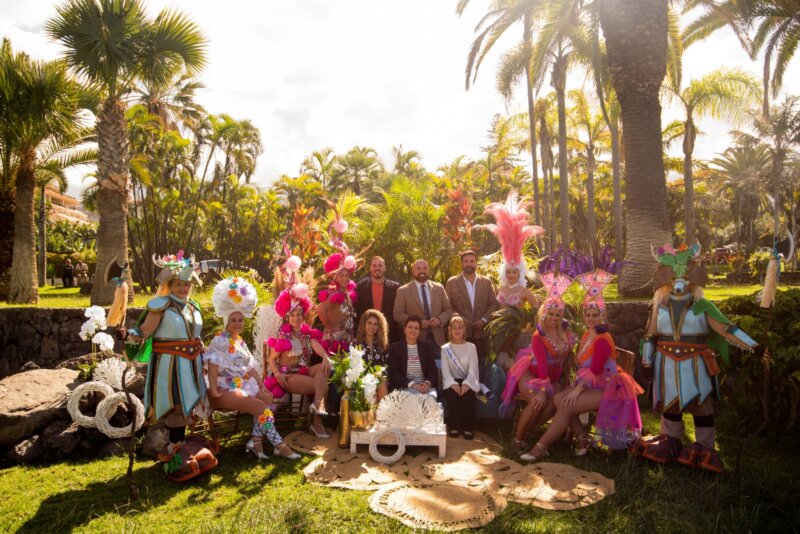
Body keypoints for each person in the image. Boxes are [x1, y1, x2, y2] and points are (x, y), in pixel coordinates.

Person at [632, 244, 757, 473]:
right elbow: (650, 334)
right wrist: (647, 362)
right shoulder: (659, 306)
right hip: (666, 363)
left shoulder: (702, 305)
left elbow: (725, 329)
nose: (680, 280)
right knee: (670, 403)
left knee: (701, 404)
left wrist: (753, 345)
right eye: (675, 275)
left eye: (685, 275)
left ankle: (705, 446)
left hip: (696, 364)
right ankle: (670, 440)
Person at [520, 270, 643, 461]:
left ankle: (540, 447)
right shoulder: (587, 335)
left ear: (602, 317)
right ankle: (583, 437)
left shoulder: (602, 339)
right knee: (559, 399)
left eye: (595, 315)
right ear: (584, 316)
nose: (591, 319)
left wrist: (576, 390)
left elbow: (594, 370)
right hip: (592, 386)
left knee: (565, 405)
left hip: (609, 389)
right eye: (588, 315)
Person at [205, 277, 300, 461]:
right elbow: (213, 365)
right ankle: (281, 446)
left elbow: (250, 365)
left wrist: (261, 384)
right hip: (225, 389)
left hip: (241, 385)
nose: (238, 323)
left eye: (240, 320)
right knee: (259, 406)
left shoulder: (239, 341)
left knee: (267, 397)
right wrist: (215, 391)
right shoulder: (220, 340)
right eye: (233, 320)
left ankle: (256, 442)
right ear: (226, 321)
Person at [129, 251, 205, 462]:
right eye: (178, 284)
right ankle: (174, 448)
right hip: (170, 365)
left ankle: (178, 446)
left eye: (186, 284)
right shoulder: (160, 305)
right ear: (169, 285)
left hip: (192, 364)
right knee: (177, 404)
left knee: (189, 402)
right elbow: (144, 331)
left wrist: (201, 345)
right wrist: (129, 335)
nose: (183, 288)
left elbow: (194, 334)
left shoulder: (193, 306)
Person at [501, 272, 575, 454]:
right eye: (551, 313)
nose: (554, 318)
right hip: (532, 374)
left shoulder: (567, 335)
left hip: (555, 380)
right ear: (544, 314)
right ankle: (517, 441)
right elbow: (542, 365)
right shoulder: (538, 336)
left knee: (552, 405)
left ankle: (530, 434)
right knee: (537, 402)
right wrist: (542, 391)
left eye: (558, 314)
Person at [265, 255, 332, 438]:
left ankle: (316, 408)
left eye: (299, 314)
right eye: (292, 315)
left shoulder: (306, 332)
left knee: (324, 368)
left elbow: (316, 344)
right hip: (289, 375)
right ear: (287, 317)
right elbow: (271, 359)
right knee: (322, 387)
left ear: (304, 315)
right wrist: (277, 374)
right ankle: (317, 421)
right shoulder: (283, 336)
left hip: (304, 370)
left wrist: (325, 356)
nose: (296, 318)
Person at [477, 191, 544, 371]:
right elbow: (497, 311)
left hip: (517, 335)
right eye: (509, 272)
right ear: (505, 273)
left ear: (519, 272)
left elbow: (538, 307)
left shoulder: (523, 291)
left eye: (515, 272)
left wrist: (527, 322)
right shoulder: (501, 289)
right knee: (500, 364)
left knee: (516, 365)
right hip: (500, 333)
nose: (512, 275)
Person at [445, 250, 499, 383]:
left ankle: (481, 396)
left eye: (472, 261)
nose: (469, 264)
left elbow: (493, 304)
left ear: (476, 263)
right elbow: (447, 306)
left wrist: (484, 319)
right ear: (461, 263)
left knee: (480, 368)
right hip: (461, 335)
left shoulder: (486, 282)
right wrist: (460, 319)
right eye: (466, 261)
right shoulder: (452, 282)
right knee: (462, 370)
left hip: (482, 334)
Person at [317, 214, 358, 353]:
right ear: (335, 277)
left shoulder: (346, 293)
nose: (344, 278)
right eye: (341, 275)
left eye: (347, 275)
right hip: (335, 338)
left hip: (347, 336)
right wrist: (330, 326)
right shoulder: (332, 294)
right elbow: (321, 310)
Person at [393, 259, 453, 346]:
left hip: (437, 339)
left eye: (425, 268)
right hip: (415, 339)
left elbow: (449, 309)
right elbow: (397, 314)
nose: (422, 271)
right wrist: (416, 323)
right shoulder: (403, 291)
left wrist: (439, 319)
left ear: (428, 271)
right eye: (418, 268)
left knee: (439, 360)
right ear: (413, 271)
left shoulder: (439, 288)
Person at [441, 315, 480, 439]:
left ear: (464, 329)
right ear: (449, 330)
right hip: (451, 380)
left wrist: (467, 383)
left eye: (460, 327)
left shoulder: (471, 347)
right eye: (454, 328)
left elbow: (473, 368)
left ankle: (468, 427)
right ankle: (454, 426)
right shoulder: (445, 348)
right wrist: (452, 383)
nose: (457, 330)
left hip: (468, 379)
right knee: (452, 394)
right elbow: (445, 370)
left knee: (468, 394)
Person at [388, 315, 440, 397]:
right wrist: (413, 385)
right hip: (405, 387)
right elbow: (394, 373)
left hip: (425, 388)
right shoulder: (395, 347)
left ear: (419, 331)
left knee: (430, 398)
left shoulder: (426, 348)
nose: (413, 330)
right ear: (404, 329)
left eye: (416, 328)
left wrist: (427, 383)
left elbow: (433, 371)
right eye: (410, 327)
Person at [355, 256, 401, 343]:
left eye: (380, 265)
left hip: (390, 335)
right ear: (370, 268)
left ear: (385, 268)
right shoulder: (360, 287)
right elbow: (357, 311)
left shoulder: (395, 288)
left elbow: (398, 311)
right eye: (374, 265)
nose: (377, 268)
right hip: (367, 335)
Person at [355, 308, 390, 401]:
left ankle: (383, 413)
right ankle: (372, 414)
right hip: (363, 380)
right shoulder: (355, 344)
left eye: (375, 324)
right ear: (364, 324)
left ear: (379, 327)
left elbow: (386, 365)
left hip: (380, 378)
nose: (372, 326)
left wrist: (379, 374)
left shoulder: (383, 345)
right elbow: (354, 367)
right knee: (370, 386)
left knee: (381, 381)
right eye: (369, 323)